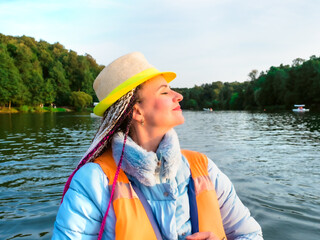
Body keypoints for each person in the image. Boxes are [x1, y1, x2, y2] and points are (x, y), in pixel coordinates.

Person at [53, 52, 263, 240]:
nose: (178, 96)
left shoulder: (204, 168)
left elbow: (250, 234)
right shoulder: (92, 183)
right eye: (164, 92)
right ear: (137, 111)